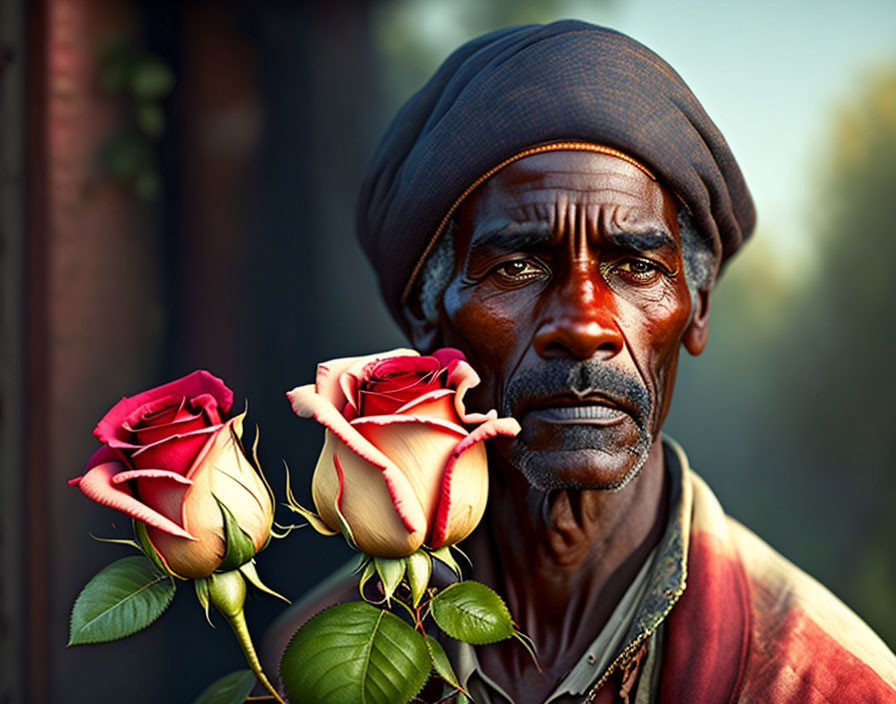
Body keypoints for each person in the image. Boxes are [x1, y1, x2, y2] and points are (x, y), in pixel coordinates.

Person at [266, 20, 896, 703]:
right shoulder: (305, 671)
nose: (586, 324)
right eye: (517, 265)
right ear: (427, 310)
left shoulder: (824, 683)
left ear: (697, 306)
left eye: (634, 266)